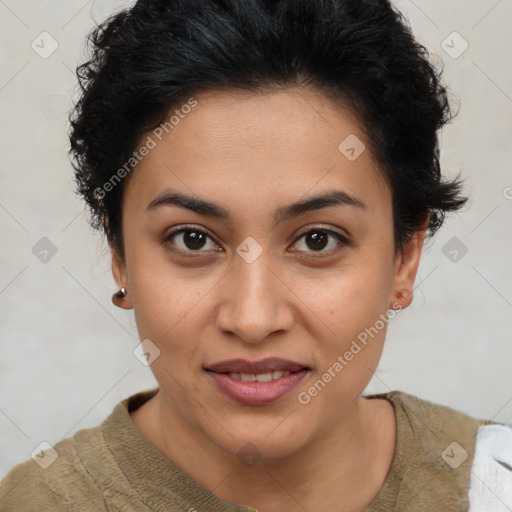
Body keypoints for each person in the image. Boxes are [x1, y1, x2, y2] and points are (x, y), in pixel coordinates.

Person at [1, 0, 511, 510]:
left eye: (318, 239)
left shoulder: (495, 486)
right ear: (119, 255)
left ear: (405, 257)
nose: (252, 319)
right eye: (193, 239)